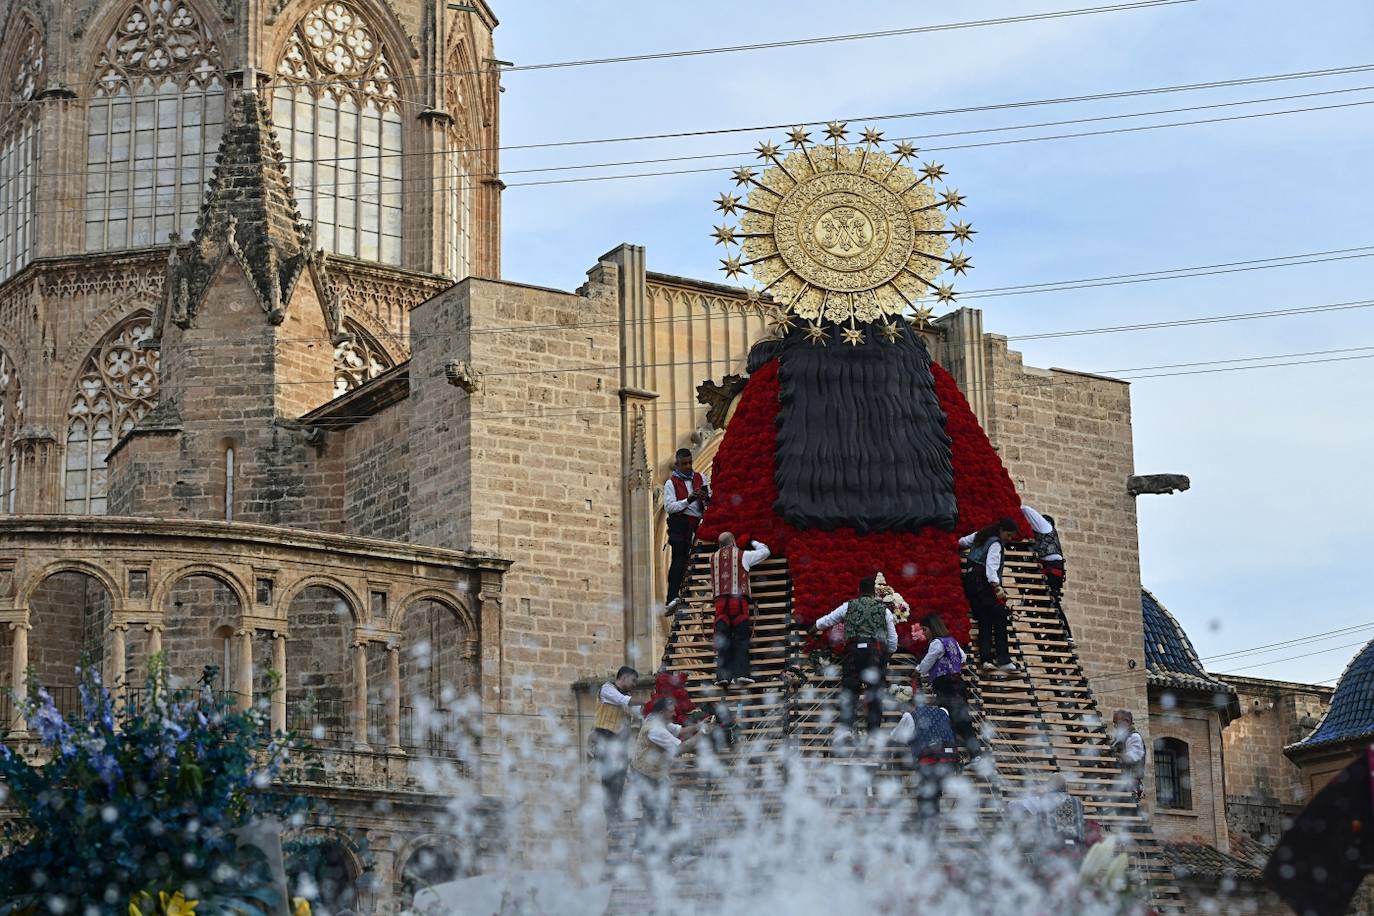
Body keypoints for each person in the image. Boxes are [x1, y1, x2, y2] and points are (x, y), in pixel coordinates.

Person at [816, 576, 898, 745]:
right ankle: (873, 734)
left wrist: (815, 626)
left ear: (859, 590)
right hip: (875, 654)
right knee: (875, 694)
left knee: (850, 691)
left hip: (853, 652)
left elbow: (828, 620)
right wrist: (887, 653)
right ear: (874, 592)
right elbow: (893, 639)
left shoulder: (849, 605)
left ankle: (846, 729)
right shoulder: (885, 610)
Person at [627, 696, 711, 856]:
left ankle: (667, 849)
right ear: (662, 712)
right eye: (671, 712)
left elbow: (679, 730)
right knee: (651, 811)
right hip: (644, 775)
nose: (674, 714)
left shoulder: (659, 721)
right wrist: (703, 732)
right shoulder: (655, 729)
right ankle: (639, 850)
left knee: (663, 811)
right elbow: (682, 748)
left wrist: (698, 726)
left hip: (655, 773)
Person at [958, 517, 1021, 675]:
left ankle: (986, 660)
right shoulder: (995, 544)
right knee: (1000, 617)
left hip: (971, 584)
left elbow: (962, 542)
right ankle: (1004, 659)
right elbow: (991, 570)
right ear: (1002, 531)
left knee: (985, 620)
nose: (1009, 539)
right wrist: (998, 588)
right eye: (1009, 535)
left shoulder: (981, 534)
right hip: (984, 587)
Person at [890, 684, 960, 821]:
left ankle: (927, 831)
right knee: (935, 796)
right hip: (950, 761)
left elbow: (896, 736)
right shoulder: (943, 711)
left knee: (926, 798)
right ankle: (932, 828)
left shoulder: (909, 716)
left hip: (930, 763)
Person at [710, 532, 770, 687]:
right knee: (741, 640)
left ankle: (723, 676)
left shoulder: (713, 558)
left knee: (723, 641)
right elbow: (765, 552)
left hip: (720, 609)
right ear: (734, 542)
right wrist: (753, 541)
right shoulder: (742, 555)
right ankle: (741, 674)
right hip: (739, 605)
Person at [915, 613, 980, 759]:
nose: (924, 633)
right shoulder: (951, 640)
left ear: (932, 628)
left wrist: (918, 670)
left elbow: (927, 663)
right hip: (957, 683)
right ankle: (968, 754)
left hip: (945, 685)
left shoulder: (936, 643)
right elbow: (962, 657)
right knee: (959, 719)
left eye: (925, 629)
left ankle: (969, 755)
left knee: (951, 720)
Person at [589, 665, 640, 824]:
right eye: (633, 680)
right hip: (604, 738)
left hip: (618, 742)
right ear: (623, 678)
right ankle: (611, 817)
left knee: (619, 779)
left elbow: (637, 714)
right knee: (609, 779)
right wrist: (649, 701)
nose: (634, 684)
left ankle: (616, 813)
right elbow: (624, 701)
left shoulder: (626, 695)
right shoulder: (607, 689)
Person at [662, 448, 710, 615]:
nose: (688, 466)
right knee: (678, 560)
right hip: (681, 523)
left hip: (698, 523)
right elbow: (669, 507)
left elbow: (710, 499)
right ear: (677, 464)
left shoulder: (701, 478)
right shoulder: (671, 483)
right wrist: (687, 500)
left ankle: (692, 589)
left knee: (700, 557)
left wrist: (705, 498)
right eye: (684, 464)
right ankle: (672, 597)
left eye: (690, 463)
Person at [1022, 505, 1069, 632]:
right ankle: (1059, 631)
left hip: (1051, 570)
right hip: (1052, 570)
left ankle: (1066, 632)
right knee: (1049, 604)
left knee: (1052, 603)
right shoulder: (1047, 533)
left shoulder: (1044, 527)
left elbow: (1025, 509)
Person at [1112, 709, 1146, 803]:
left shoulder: (1134, 737)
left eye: (1116, 722)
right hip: (1121, 783)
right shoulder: (1120, 738)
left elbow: (1132, 757)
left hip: (1130, 784)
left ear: (1126, 721)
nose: (1115, 726)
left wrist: (1114, 755)